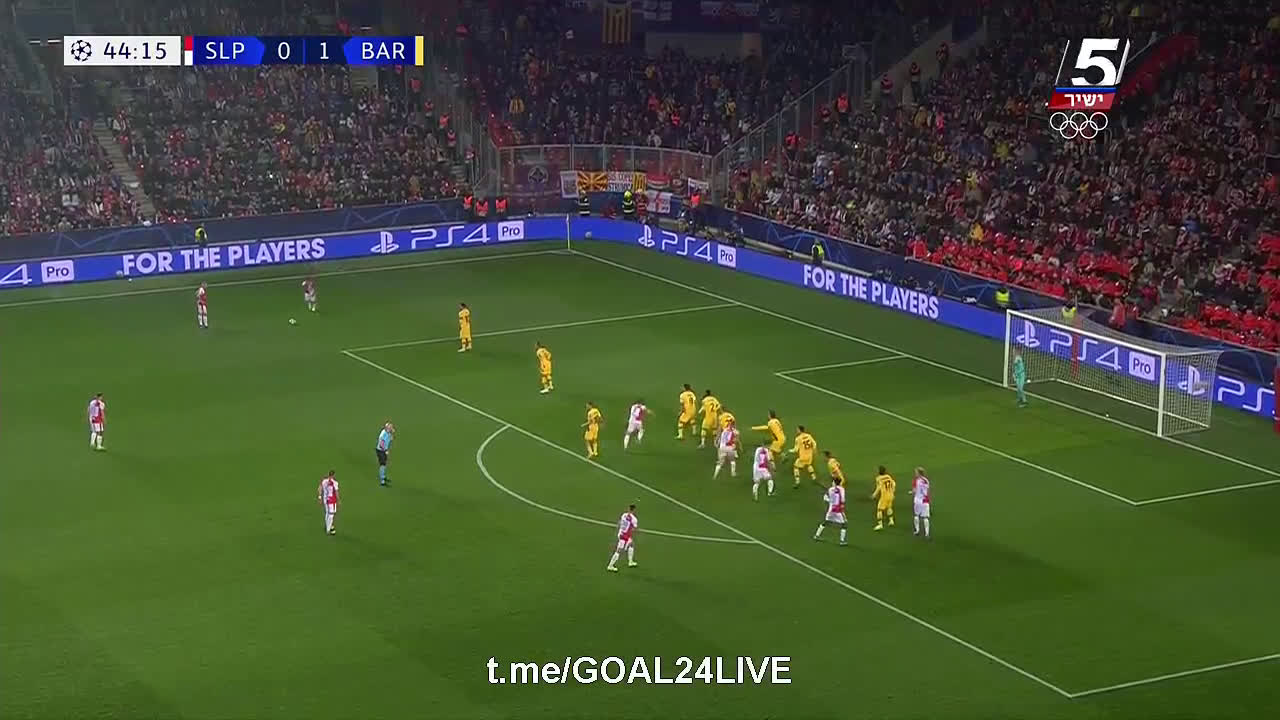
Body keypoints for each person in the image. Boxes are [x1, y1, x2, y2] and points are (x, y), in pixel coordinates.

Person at [813, 476, 848, 546]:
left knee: (826, 522)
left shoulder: (830, 489)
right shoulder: (842, 489)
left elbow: (825, 498)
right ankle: (842, 541)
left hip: (831, 509)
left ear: (834, 482)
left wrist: (830, 501)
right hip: (838, 510)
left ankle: (816, 535)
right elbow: (842, 500)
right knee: (844, 524)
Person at [606, 504, 638, 572]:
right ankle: (610, 566)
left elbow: (620, 522)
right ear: (634, 510)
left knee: (631, 544)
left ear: (628, 509)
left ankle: (630, 561)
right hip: (624, 537)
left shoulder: (624, 515)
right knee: (619, 551)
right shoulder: (634, 519)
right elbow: (634, 529)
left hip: (621, 533)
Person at [872, 465, 896, 530]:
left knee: (879, 510)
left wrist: (874, 494)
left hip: (884, 496)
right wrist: (893, 491)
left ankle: (880, 525)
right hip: (891, 495)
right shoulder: (888, 476)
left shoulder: (878, 478)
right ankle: (891, 521)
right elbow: (894, 483)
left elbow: (879, 487)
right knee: (889, 507)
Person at [317, 471, 340, 536]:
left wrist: (319, 497)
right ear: (333, 475)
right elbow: (336, 492)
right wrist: (338, 500)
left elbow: (319, 488)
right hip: (332, 501)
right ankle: (328, 529)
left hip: (325, 500)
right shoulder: (335, 483)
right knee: (331, 515)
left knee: (327, 513)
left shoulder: (324, 481)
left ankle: (327, 526)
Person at [912, 467, 932, 539]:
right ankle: (927, 533)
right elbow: (927, 490)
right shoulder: (926, 480)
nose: (915, 474)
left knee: (916, 515)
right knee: (925, 517)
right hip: (925, 500)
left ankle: (917, 531)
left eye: (916, 472)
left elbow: (914, 491)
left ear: (919, 473)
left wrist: (912, 492)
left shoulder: (915, 481)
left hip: (917, 500)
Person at [376, 422, 394, 487]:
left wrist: (391, 434)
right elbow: (381, 444)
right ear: (387, 428)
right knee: (382, 464)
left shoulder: (388, 432)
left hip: (383, 450)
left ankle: (383, 476)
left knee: (384, 464)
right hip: (381, 451)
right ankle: (382, 481)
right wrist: (385, 450)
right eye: (390, 428)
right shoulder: (383, 435)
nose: (391, 429)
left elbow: (391, 438)